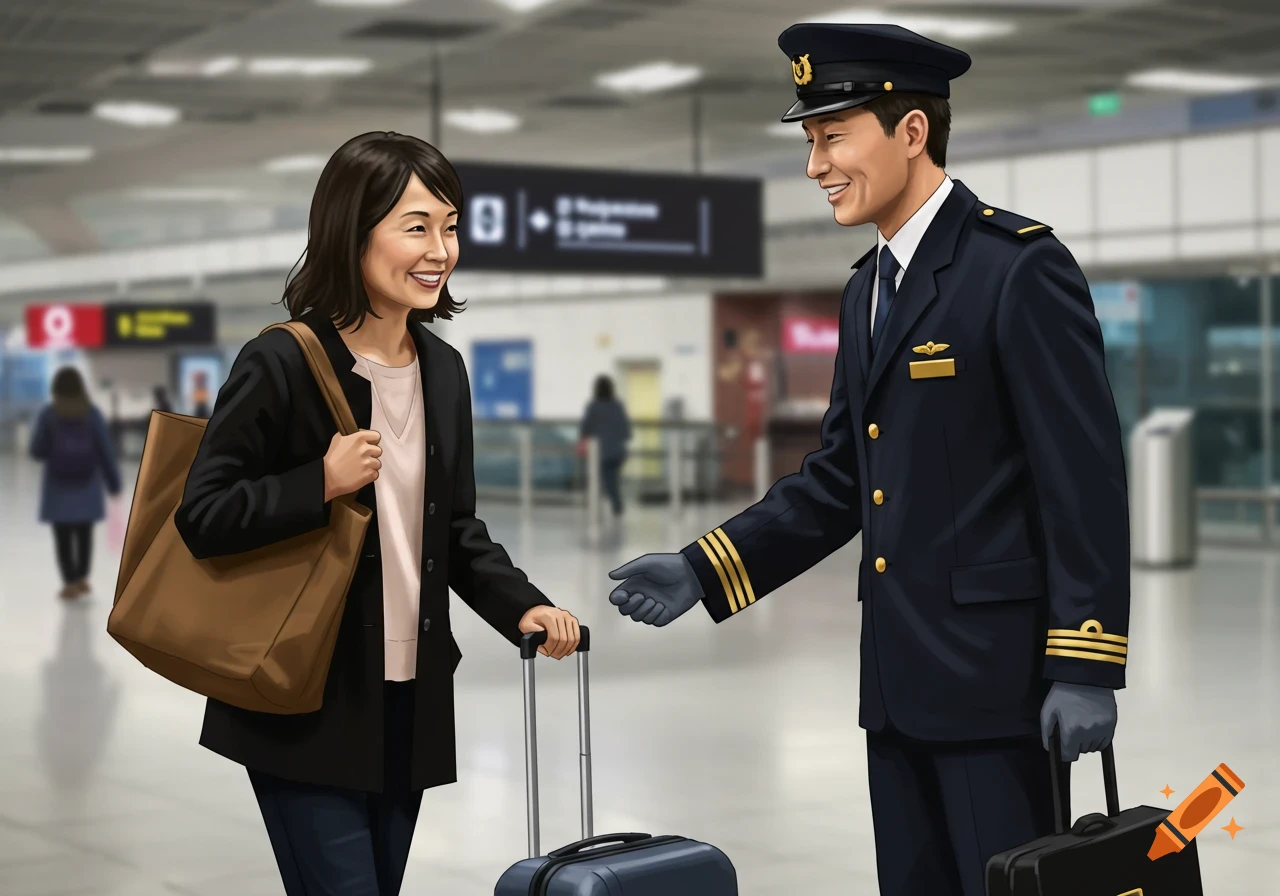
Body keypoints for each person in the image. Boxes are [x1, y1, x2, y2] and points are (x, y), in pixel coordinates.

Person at [605, 23, 1130, 896]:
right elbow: (843, 475)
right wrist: (707, 568)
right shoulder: (867, 288)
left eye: (831, 136)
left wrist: (1085, 667)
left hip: (996, 691)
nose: (814, 166)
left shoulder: (1017, 270)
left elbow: (1083, 481)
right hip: (895, 689)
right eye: (810, 141)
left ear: (912, 132)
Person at [174, 131, 582, 896]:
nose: (440, 249)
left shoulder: (443, 370)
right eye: (416, 226)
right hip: (304, 697)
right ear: (351, 233)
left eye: (450, 226)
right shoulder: (284, 362)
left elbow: (453, 528)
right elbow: (204, 513)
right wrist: (317, 482)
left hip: (411, 695)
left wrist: (522, 606)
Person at [29, 367, 122, 599]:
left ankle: (69, 581)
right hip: (87, 485)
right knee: (84, 533)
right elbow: (105, 452)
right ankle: (82, 578)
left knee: (62, 536)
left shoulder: (49, 414)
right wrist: (114, 484)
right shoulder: (92, 414)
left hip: (58, 486)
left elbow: (36, 451)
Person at [579, 374, 631, 515]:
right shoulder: (618, 406)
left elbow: (585, 428)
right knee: (611, 478)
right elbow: (626, 431)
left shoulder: (593, 407)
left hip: (600, 451)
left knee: (606, 479)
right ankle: (613, 503)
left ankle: (615, 505)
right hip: (618, 451)